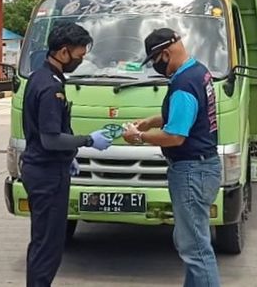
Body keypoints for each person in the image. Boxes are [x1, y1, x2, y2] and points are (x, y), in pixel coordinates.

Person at [122, 28, 221, 287]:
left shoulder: (183, 83)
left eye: (155, 60)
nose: (155, 66)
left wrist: (139, 137)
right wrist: (151, 121)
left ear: (165, 53)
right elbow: (187, 114)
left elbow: (176, 136)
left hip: (191, 172)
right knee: (193, 243)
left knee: (196, 249)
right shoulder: (197, 71)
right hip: (203, 167)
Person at [21, 22, 113, 287]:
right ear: (63, 52)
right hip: (47, 174)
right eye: (78, 55)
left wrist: (68, 154)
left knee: (43, 241)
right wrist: (87, 140)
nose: (80, 60)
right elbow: (50, 139)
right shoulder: (51, 87)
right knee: (48, 246)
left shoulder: (42, 77)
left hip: (45, 168)